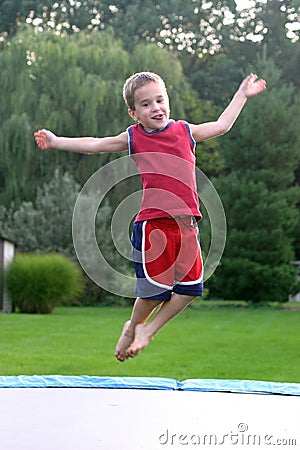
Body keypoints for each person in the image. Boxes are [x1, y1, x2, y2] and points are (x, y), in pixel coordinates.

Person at [34, 71, 266, 362]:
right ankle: (133, 328)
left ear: (168, 101)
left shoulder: (185, 131)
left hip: (187, 225)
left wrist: (241, 95)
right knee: (154, 293)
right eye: (146, 104)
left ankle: (147, 329)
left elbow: (221, 125)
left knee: (191, 289)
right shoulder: (134, 137)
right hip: (153, 225)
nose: (155, 107)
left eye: (160, 100)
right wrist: (57, 141)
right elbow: (96, 143)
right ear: (134, 113)